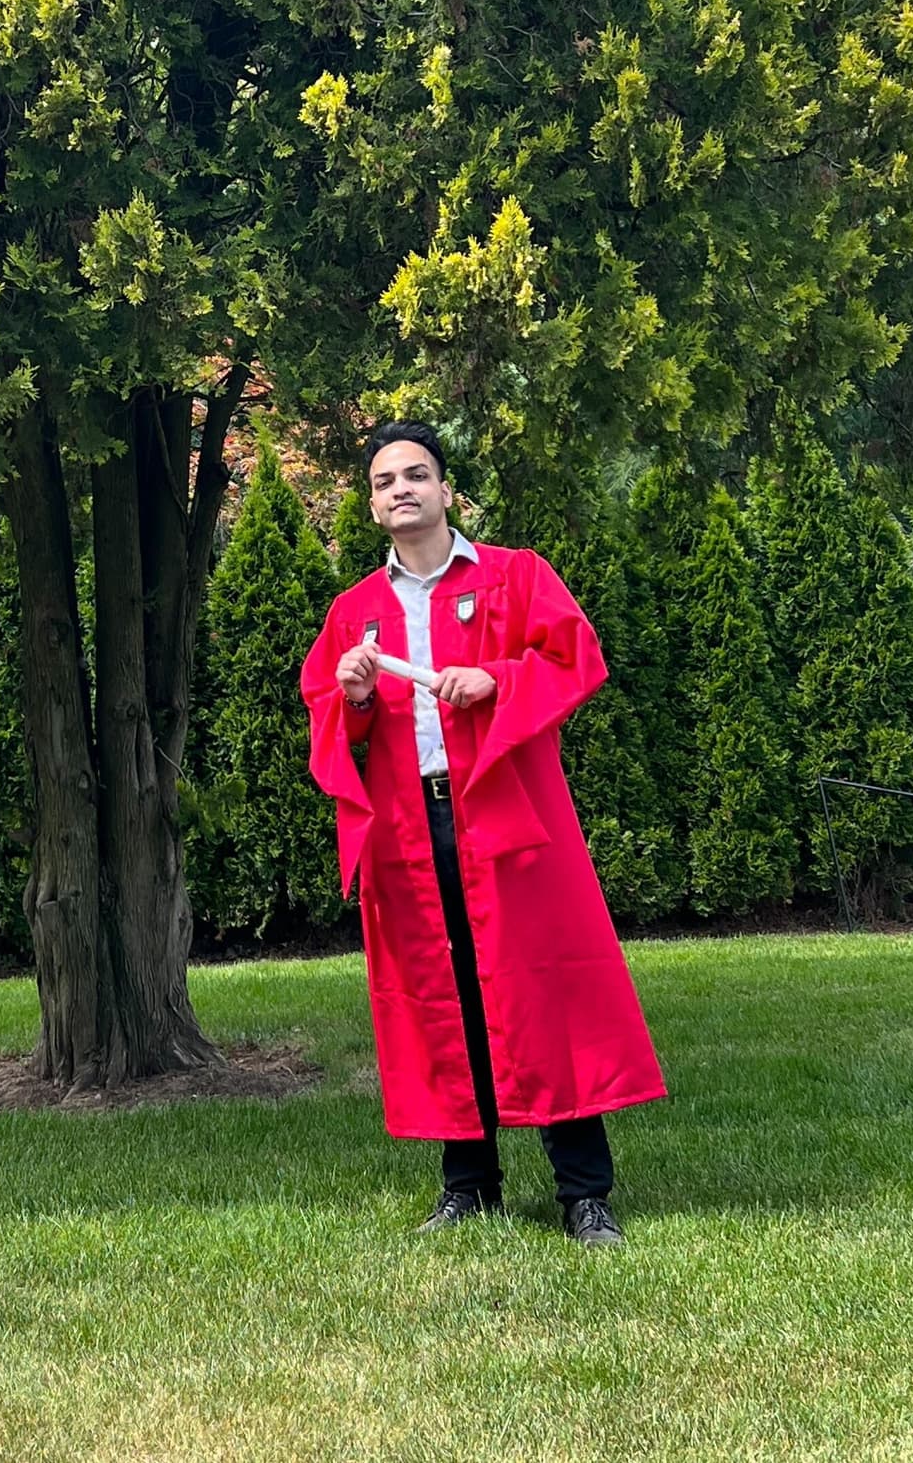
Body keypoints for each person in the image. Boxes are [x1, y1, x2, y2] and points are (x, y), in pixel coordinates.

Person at [300, 421, 666, 1237]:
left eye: (417, 474)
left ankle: (584, 1190)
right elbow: (334, 724)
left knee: (544, 986)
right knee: (442, 997)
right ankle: (469, 1184)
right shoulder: (354, 612)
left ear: (446, 491)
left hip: (503, 815)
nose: (402, 488)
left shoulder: (514, 576)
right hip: (410, 822)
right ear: (370, 503)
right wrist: (356, 696)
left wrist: (494, 678)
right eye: (386, 479)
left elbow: (575, 658)